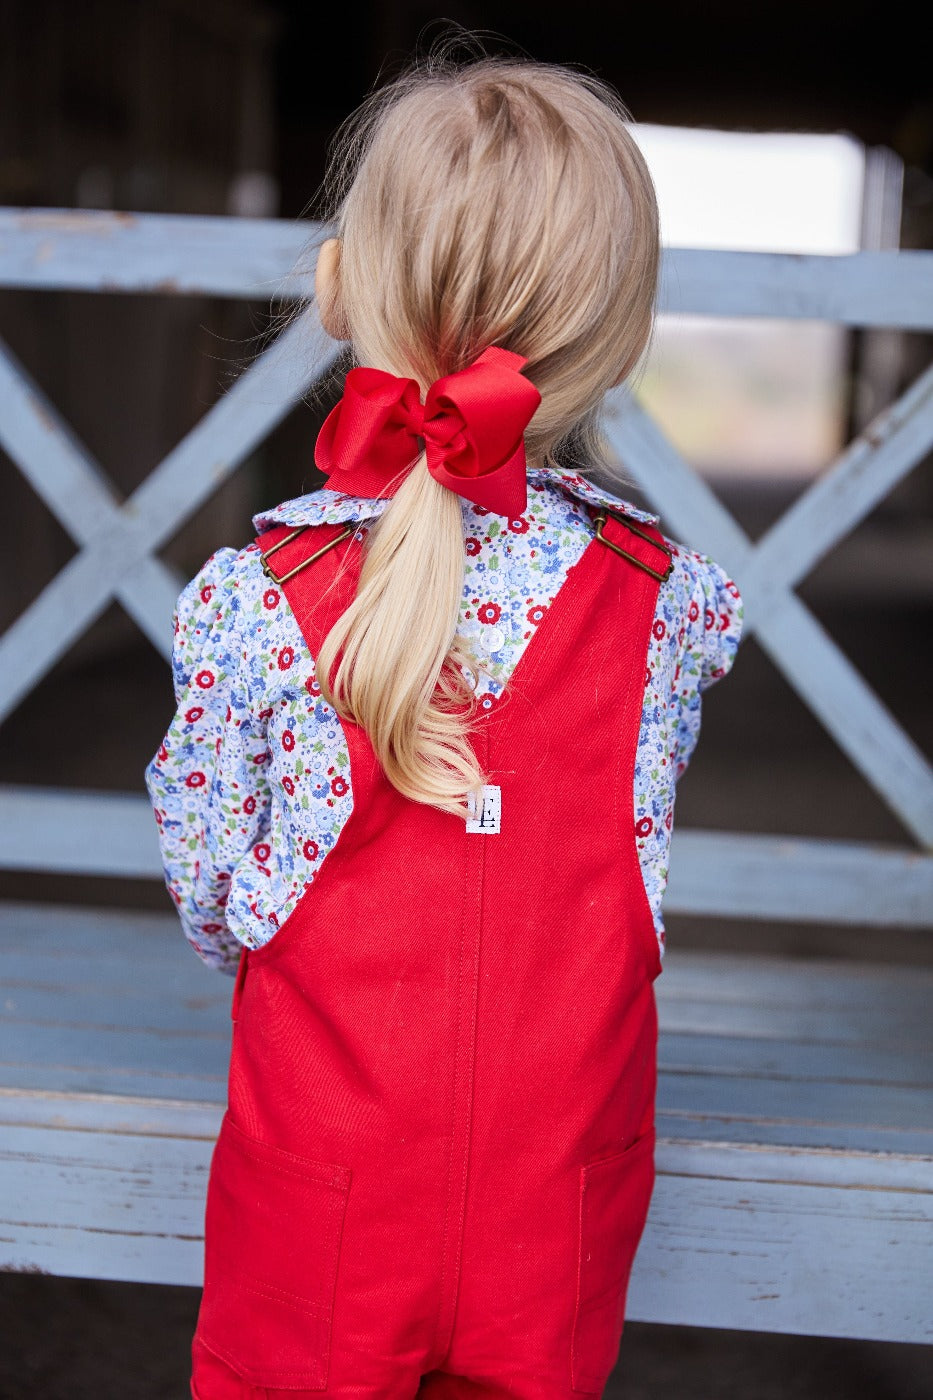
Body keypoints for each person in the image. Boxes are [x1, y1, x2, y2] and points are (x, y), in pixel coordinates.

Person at [145, 49, 742, 1400]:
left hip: (323, 1200)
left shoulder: (256, 600)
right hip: (556, 1211)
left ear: (337, 286)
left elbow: (214, 898)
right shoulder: (668, 606)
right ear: (619, 331)